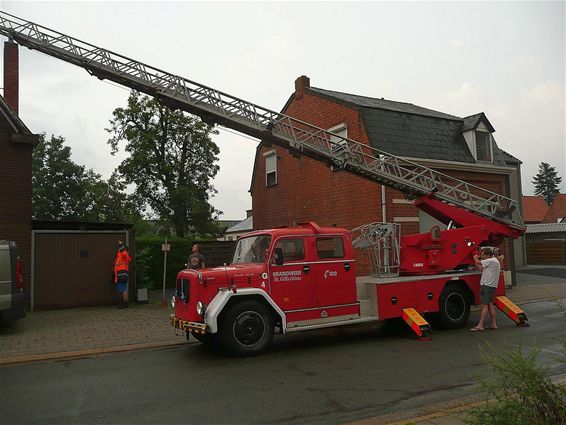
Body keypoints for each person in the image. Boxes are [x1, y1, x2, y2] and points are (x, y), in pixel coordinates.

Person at [470, 247, 500, 331]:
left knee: (484, 306)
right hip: (490, 286)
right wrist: (477, 260)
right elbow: (482, 269)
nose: (482, 257)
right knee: (490, 304)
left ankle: (480, 325)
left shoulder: (491, 261)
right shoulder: (493, 261)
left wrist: (475, 255)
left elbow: (477, 261)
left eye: (483, 255)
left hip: (487, 285)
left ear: (488, 255)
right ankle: (494, 323)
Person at [113, 241, 132, 309]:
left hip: (121, 274)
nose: (119, 249)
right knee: (123, 289)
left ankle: (125, 303)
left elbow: (123, 253)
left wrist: (121, 245)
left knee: (123, 289)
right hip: (121, 274)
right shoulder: (121, 255)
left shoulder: (124, 255)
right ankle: (124, 302)